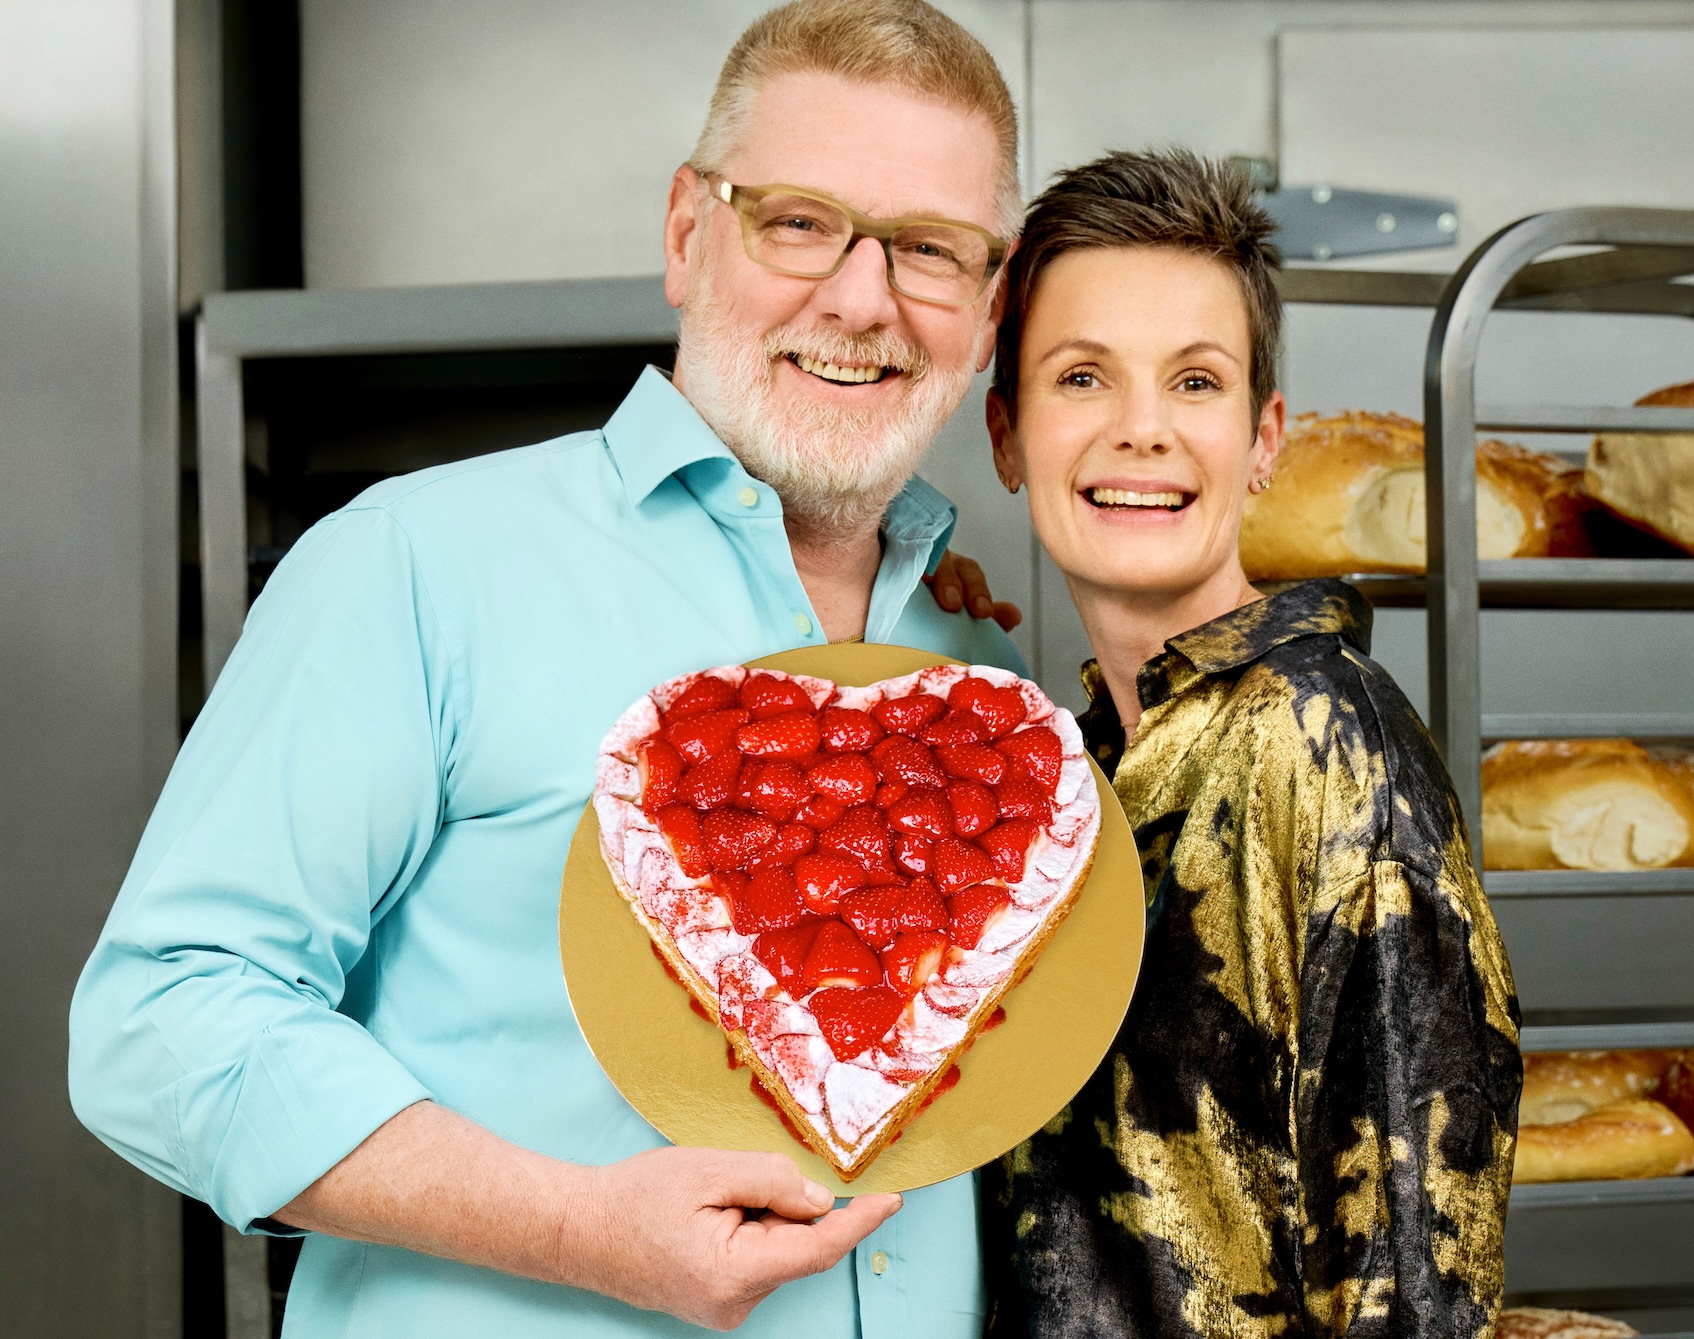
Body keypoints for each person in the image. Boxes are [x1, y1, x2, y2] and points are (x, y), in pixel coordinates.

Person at [69, 2, 1030, 1333]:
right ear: (689, 231)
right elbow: (156, 1020)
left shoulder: (984, 674)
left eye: (928, 247)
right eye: (798, 221)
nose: (861, 298)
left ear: (988, 304)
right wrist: (578, 1226)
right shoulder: (415, 564)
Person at [978, 150, 1523, 1338]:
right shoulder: (1071, 767)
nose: (1142, 431)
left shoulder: (1331, 751)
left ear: (1264, 438)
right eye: (1082, 376)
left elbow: (1413, 1297)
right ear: (1007, 435)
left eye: (1195, 382)